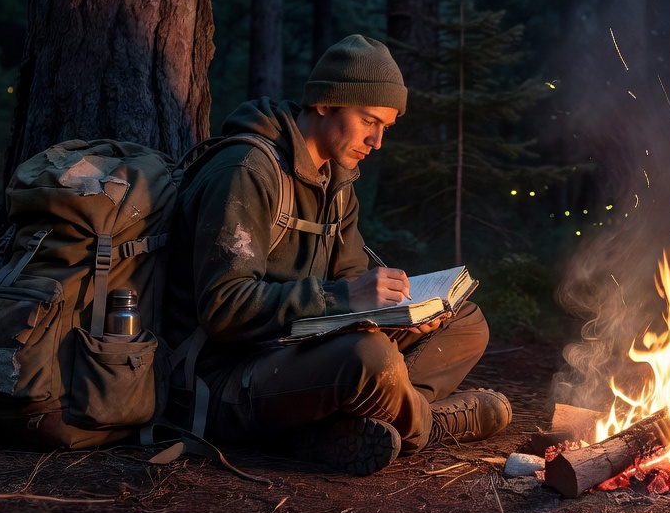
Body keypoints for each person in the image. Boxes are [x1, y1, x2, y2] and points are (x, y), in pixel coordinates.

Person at [163, 34, 511, 475]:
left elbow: (349, 278)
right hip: (226, 380)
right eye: (369, 120)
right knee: (370, 359)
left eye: (385, 127)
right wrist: (345, 298)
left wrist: (409, 313)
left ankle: (342, 426)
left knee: (467, 322)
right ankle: (429, 425)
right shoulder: (247, 171)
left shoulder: (337, 179)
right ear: (327, 103)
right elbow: (224, 307)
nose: (377, 140)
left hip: (300, 347)